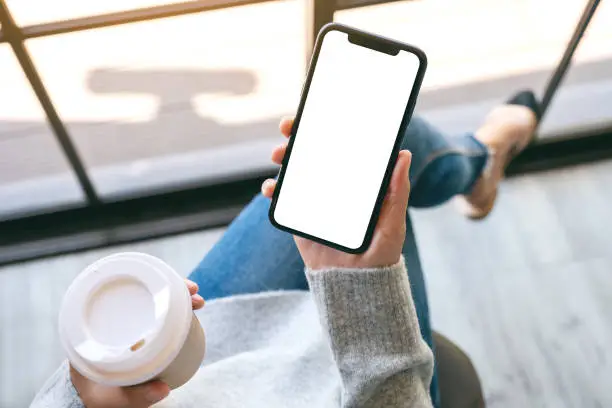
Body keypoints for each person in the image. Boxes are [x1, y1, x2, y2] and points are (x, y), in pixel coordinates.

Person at [31, 91, 539, 408]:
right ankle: (479, 161)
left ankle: (476, 161)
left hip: (215, 369)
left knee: (361, 134)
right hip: (363, 390)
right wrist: (362, 296)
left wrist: (81, 398)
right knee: (381, 147)